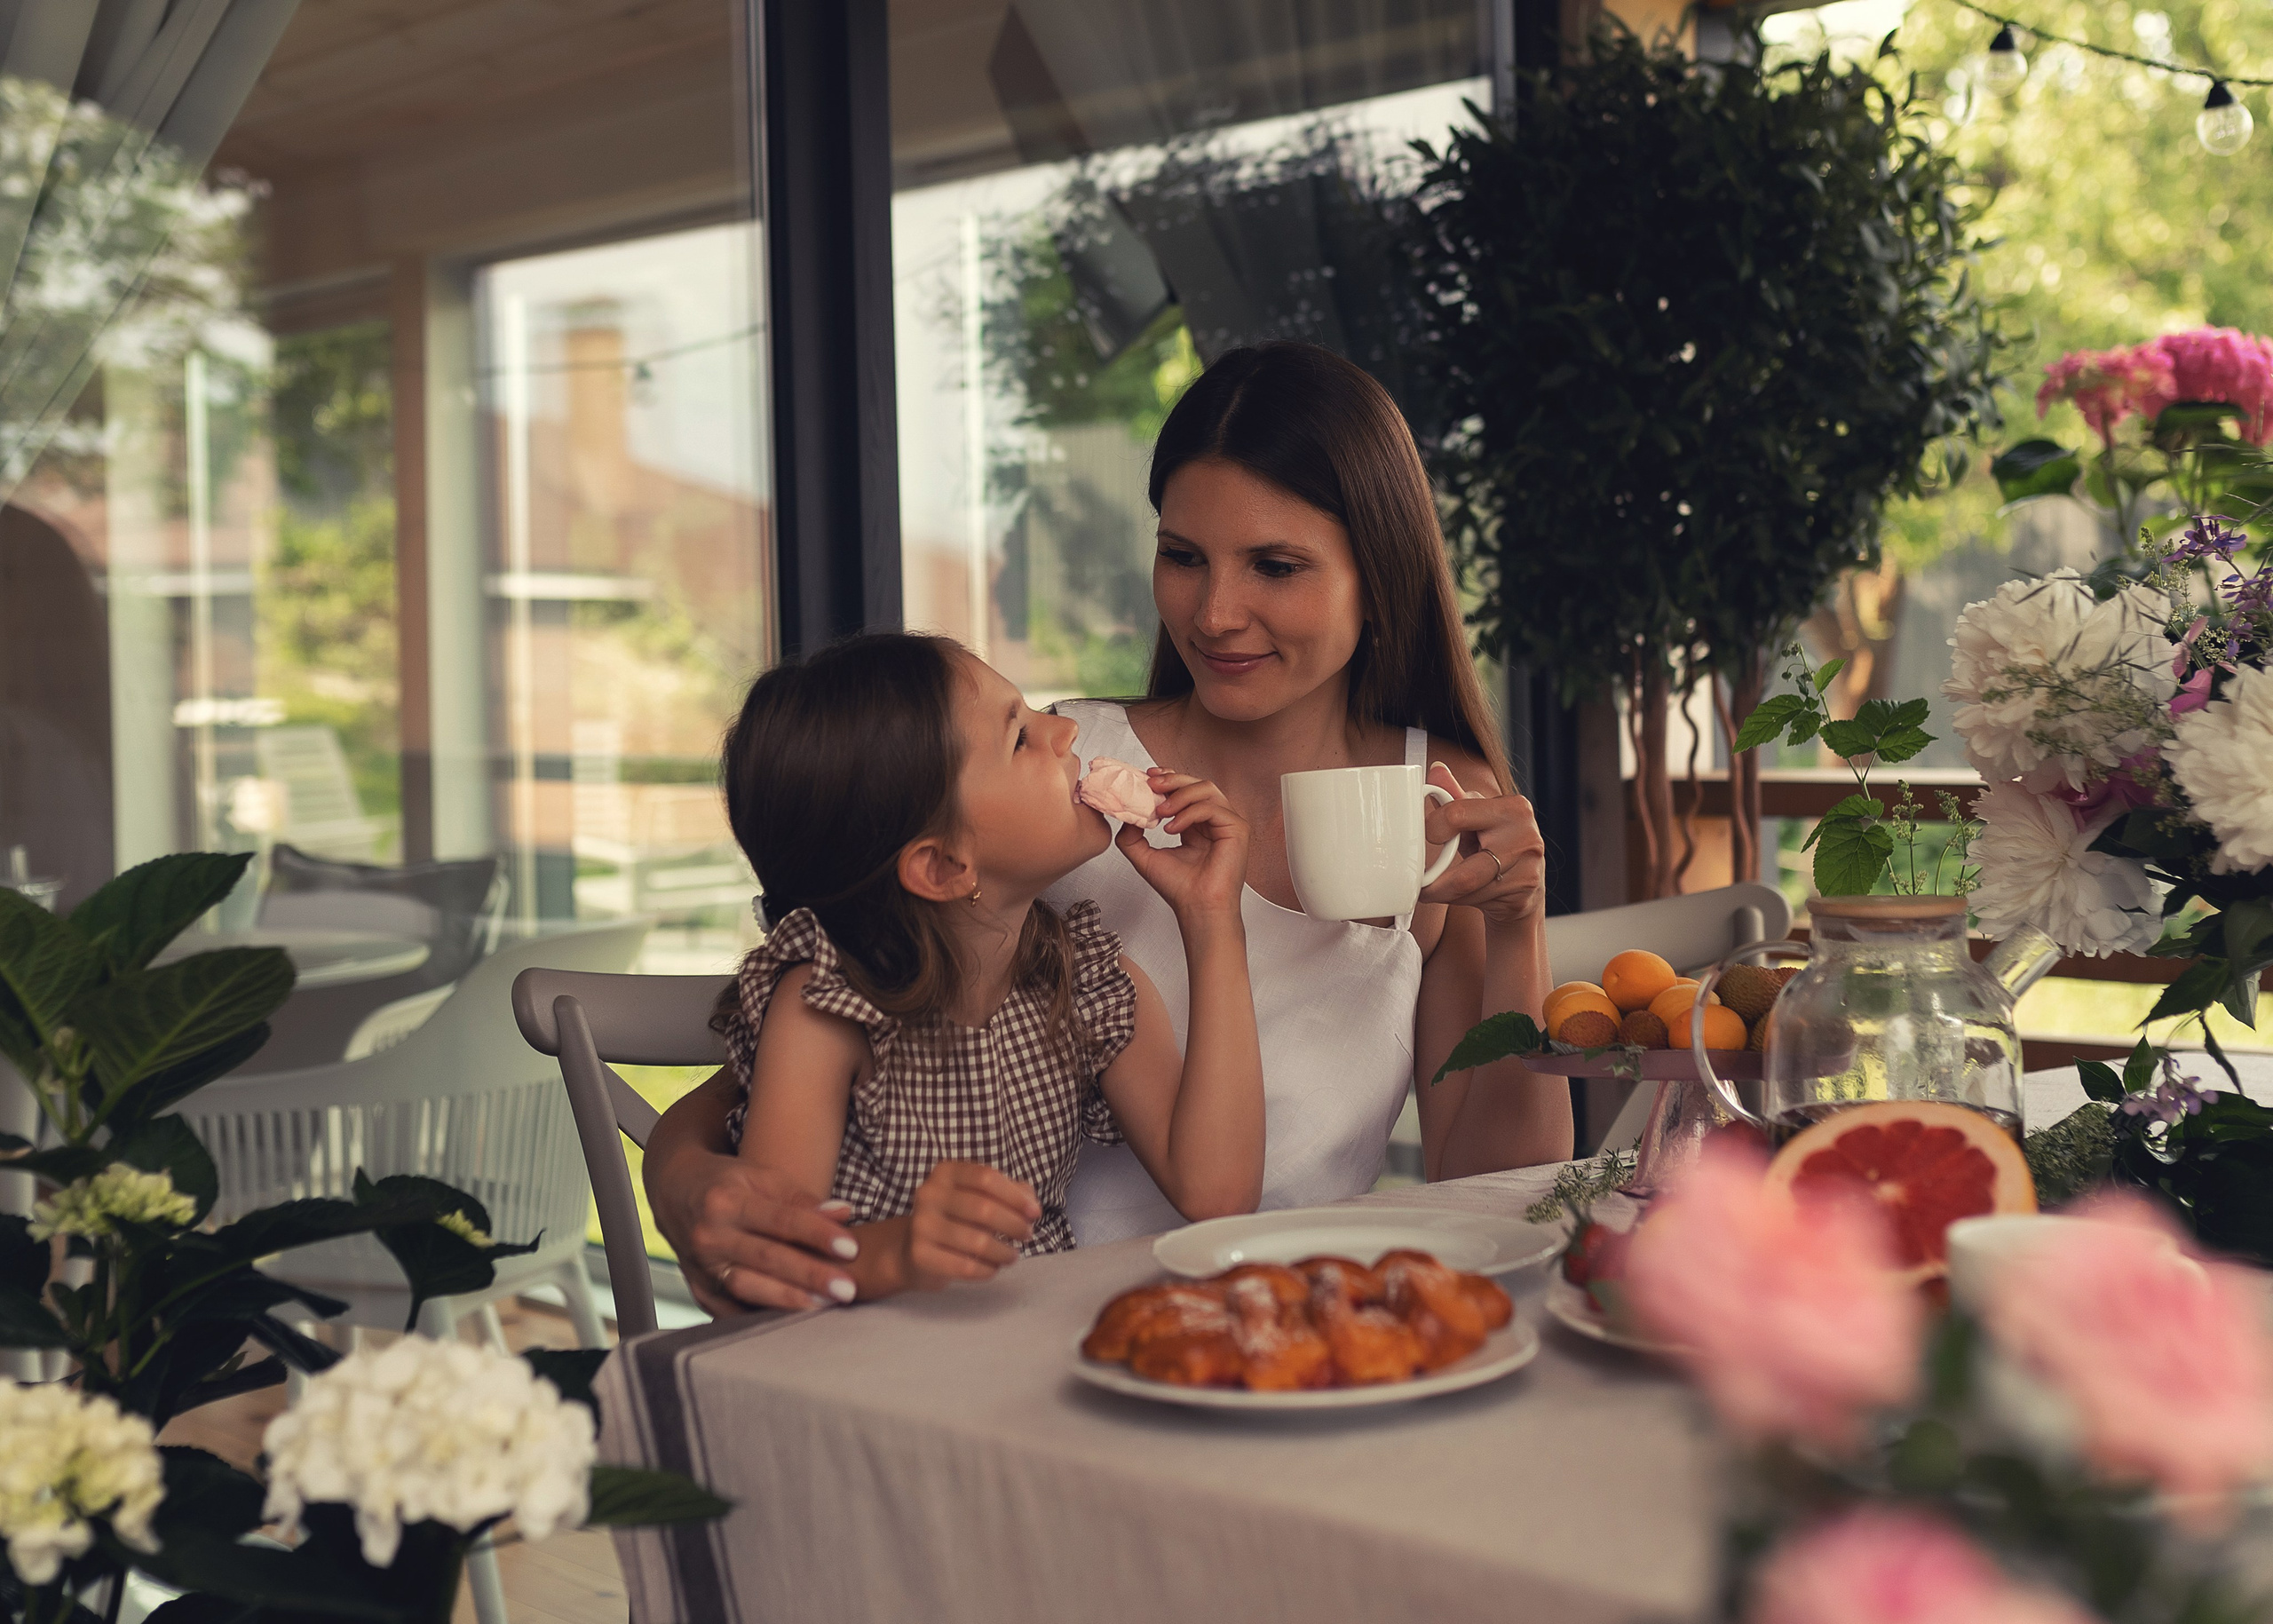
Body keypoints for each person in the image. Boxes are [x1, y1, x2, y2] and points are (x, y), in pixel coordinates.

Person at [646, 341, 1569, 1313]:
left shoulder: (1436, 802)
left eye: (1275, 564)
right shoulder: (1059, 770)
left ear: (1376, 579)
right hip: (996, 1327)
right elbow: (836, 1022)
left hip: (1273, 1334)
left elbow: (1502, 1188)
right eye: (1182, 557)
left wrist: (1517, 927)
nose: (1214, 612)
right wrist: (680, 1174)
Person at [710, 631, 1263, 1301]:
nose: (1063, 730)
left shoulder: (1084, 980)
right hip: (865, 1372)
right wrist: (897, 1252)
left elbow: (1219, 1191)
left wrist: (1211, 917)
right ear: (944, 865)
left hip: (1031, 1354)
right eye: (1021, 738)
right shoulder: (827, 1006)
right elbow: (768, 1265)